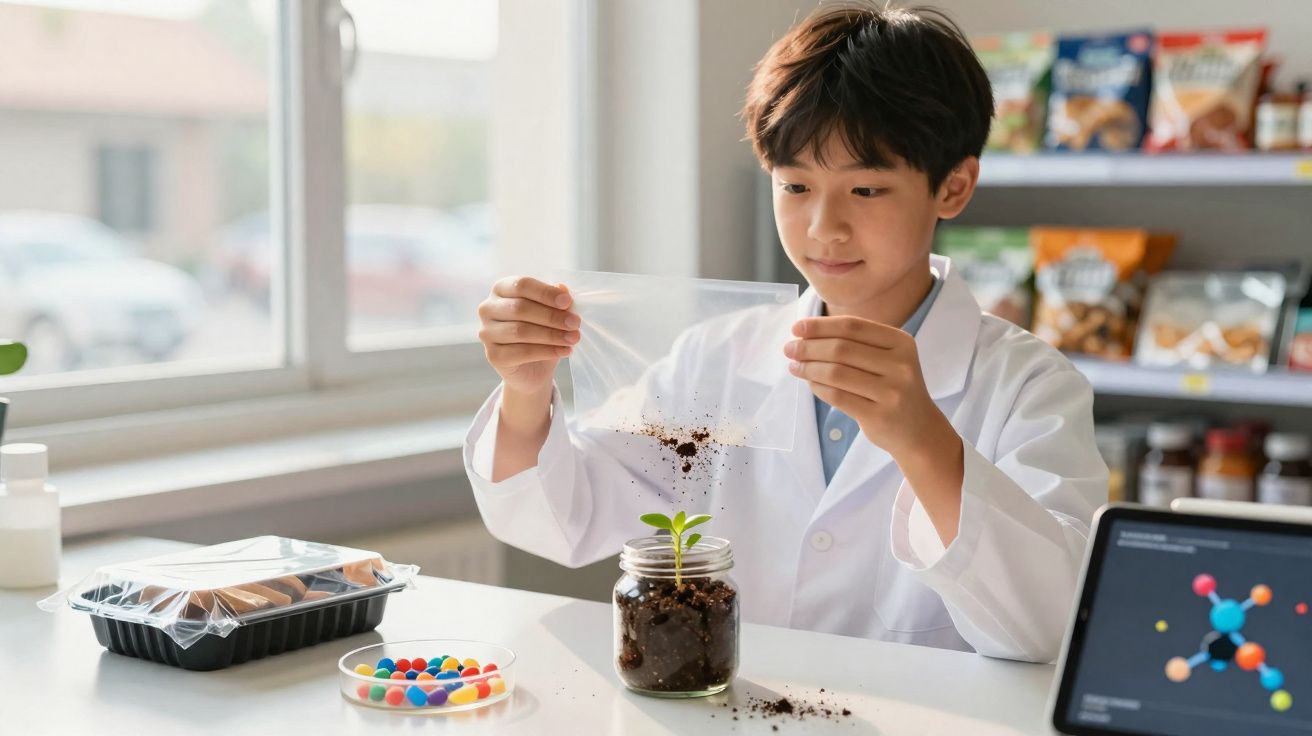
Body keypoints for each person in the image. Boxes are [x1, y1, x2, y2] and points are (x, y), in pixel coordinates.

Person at [463, 3, 1107, 663]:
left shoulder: (1028, 387)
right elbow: (562, 518)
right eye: (795, 186)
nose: (824, 228)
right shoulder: (715, 360)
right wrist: (527, 387)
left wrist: (926, 442)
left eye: (866, 191)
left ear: (954, 187)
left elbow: (1049, 625)